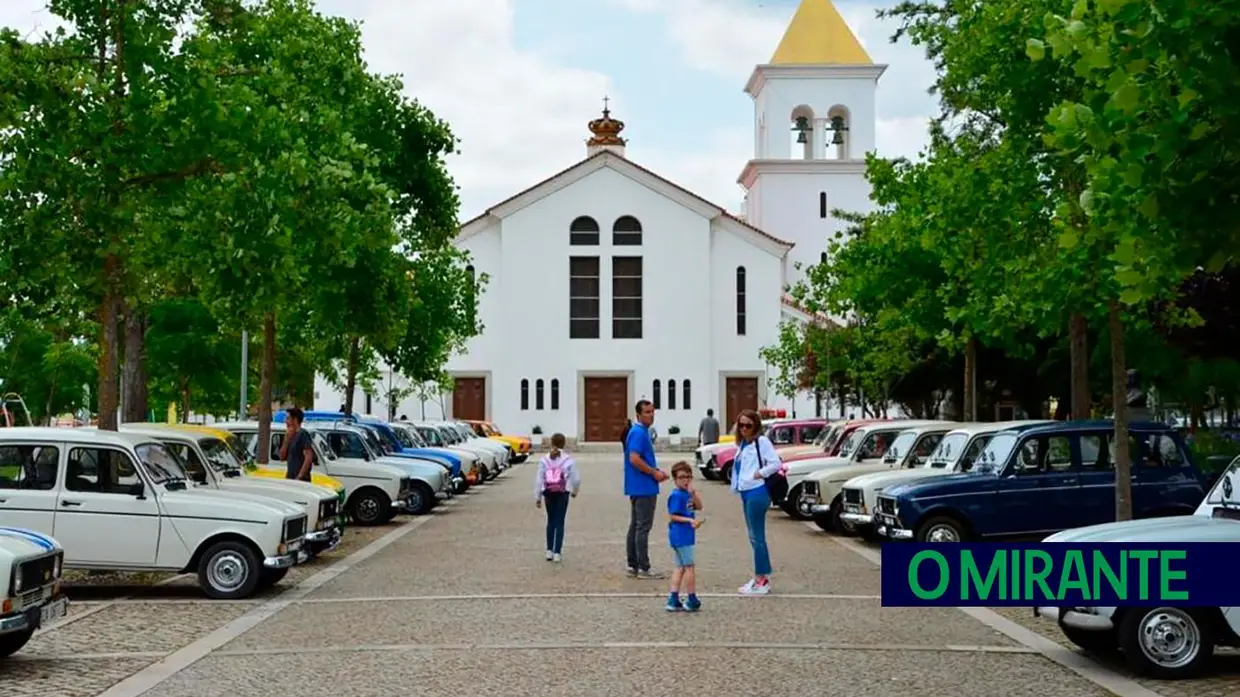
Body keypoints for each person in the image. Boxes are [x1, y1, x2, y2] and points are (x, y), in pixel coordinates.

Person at [730, 408, 782, 595]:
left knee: (757, 537)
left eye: (748, 425)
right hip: (746, 491)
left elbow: (775, 463)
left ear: (755, 426)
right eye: (741, 425)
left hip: (757, 491)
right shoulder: (743, 444)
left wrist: (760, 474)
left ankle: (762, 578)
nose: (744, 429)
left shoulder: (762, 442)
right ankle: (759, 576)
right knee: (753, 536)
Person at [624, 400, 667, 579]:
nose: (651, 415)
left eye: (652, 411)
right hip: (643, 486)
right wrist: (653, 473)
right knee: (642, 527)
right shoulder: (638, 433)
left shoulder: (641, 432)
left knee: (636, 525)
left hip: (639, 485)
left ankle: (633, 564)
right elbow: (634, 458)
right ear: (638, 414)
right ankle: (643, 566)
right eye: (647, 412)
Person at [535, 433, 579, 563]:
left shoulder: (544, 459)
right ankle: (557, 552)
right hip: (562, 492)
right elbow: (576, 478)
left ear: (552, 443)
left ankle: (549, 550)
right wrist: (575, 490)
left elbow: (539, 479)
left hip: (548, 492)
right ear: (564, 444)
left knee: (551, 520)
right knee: (560, 521)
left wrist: (538, 496)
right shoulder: (568, 459)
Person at [665, 461, 703, 612]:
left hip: (686, 534)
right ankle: (691, 597)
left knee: (680, 567)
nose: (685, 480)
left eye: (688, 477)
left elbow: (699, 506)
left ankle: (673, 598)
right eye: (681, 477)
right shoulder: (676, 496)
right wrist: (689, 520)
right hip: (681, 535)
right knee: (689, 567)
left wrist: (693, 494)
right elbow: (673, 516)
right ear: (675, 479)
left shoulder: (686, 494)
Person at [280, 407, 315, 482]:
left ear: (295, 420)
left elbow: (308, 457)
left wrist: (300, 476)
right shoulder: (289, 436)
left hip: (300, 480)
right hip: (290, 478)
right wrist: (286, 440)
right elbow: (282, 457)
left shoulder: (302, 434)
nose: (286, 422)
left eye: (288, 419)